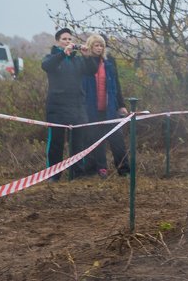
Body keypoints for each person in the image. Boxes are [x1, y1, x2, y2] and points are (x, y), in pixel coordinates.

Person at [41, 28, 95, 180]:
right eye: (64, 39)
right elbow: (46, 66)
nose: (68, 42)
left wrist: (87, 57)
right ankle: (53, 175)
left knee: (78, 142)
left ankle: (77, 173)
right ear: (58, 41)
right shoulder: (52, 57)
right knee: (56, 143)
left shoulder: (78, 60)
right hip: (57, 107)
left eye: (70, 39)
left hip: (77, 106)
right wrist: (62, 53)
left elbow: (92, 71)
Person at [80, 34, 130, 177]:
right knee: (95, 140)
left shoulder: (110, 62)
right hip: (91, 108)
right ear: (90, 46)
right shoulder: (84, 62)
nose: (99, 48)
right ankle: (100, 169)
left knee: (117, 140)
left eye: (101, 45)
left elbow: (116, 85)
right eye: (96, 45)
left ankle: (124, 169)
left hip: (109, 108)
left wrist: (121, 105)